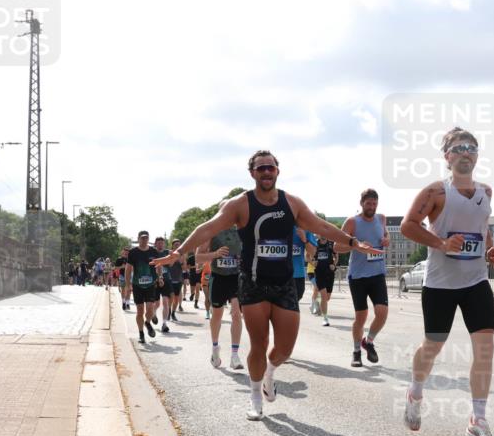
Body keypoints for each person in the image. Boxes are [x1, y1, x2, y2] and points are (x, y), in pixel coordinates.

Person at [154, 150, 379, 421]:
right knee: (258, 343)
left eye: (270, 167)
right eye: (260, 168)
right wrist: (179, 253)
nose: (266, 172)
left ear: (277, 171)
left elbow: (320, 226)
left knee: (285, 348)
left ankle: (269, 374)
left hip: (284, 283)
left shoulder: (291, 203)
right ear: (252, 173)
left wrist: (353, 243)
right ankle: (255, 398)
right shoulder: (240, 204)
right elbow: (208, 228)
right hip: (253, 283)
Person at [400, 127, 494, 436]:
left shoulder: (486, 191)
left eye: (471, 147)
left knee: (484, 348)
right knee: (432, 346)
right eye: (458, 147)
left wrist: (491, 249)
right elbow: (408, 226)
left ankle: (478, 421)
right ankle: (416, 392)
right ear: (447, 156)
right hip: (441, 284)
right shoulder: (435, 192)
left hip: (476, 281)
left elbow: (482, 228)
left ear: (477, 154)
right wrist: (441, 243)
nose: (465, 152)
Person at [341, 189, 390, 367]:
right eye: (368, 203)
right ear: (361, 203)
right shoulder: (352, 222)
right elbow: (337, 246)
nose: (372, 207)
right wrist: (357, 246)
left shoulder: (381, 218)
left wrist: (386, 239)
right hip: (358, 276)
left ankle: (368, 341)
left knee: (382, 313)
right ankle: (356, 351)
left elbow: (385, 235)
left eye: (374, 204)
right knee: (361, 317)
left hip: (378, 273)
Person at [194, 209, 245, 370]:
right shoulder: (212, 232)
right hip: (218, 278)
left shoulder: (242, 231)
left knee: (237, 314)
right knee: (217, 314)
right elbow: (197, 257)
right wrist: (215, 254)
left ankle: (235, 355)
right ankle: (215, 347)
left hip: (236, 278)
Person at [124, 230, 161, 345]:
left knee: (150, 309)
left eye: (146, 238)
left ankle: (148, 322)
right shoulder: (133, 252)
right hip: (137, 285)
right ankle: (141, 334)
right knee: (140, 311)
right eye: (142, 238)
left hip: (150, 284)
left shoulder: (153, 251)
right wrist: (127, 284)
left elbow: (158, 265)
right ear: (139, 238)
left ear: (148, 239)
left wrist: (160, 277)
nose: (144, 240)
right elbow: (128, 269)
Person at [313, 237, 338, 326]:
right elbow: (307, 256)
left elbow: (336, 256)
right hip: (319, 273)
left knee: (327, 298)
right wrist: (313, 262)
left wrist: (334, 265)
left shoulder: (331, 244)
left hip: (329, 273)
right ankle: (325, 318)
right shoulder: (314, 243)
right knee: (324, 296)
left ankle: (318, 301)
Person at [292, 227, 316, 307]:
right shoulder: (276, 223)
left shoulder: (304, 228)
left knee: (293, 304)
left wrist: (305, 240)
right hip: (279, 275)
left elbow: (314, 252)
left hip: (297, 275)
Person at [154, 237, 173, 333]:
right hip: (155, 281)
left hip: (166, 280)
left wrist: (172, 257)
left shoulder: (167, 253)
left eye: (162, 243)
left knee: (165, 302)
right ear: (155, 244)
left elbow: (171, 264)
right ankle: (153, 313)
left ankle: (164, 324)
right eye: (159, 243)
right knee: (156, 303)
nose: (161, 245)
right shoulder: (152, 253)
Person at [168, 239, 185, 317]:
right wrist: (174, 258)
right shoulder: (169, 253)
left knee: (176, 298)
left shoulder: (182, 255)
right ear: (172, 246)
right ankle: (168, 311)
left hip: (179, 279)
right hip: (170, 278)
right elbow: (169, 265)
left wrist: (181, 262)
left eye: (179, 244)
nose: (178, 246)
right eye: (176, 245)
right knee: (171, 297)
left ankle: (173, 313)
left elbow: (185, 268)